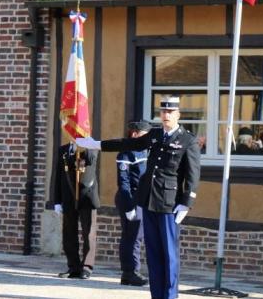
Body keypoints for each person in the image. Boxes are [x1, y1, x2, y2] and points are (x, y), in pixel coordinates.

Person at [76, 95, 201, 299]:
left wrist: (187, 203)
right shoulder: (155, 135)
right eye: (163, 111)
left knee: (169, 255)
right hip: (148, 201)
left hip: (170, 205)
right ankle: (157, 295)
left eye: (170, 112)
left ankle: (170, 296)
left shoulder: (188, 140)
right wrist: (96, 144)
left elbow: (193, 175)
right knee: (152, 254)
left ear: (178, 114)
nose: (166, 115)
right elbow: (128, 144)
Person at [53, 139, 100, 280]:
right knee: (68, 233)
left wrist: (84, 146)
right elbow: (58, 176)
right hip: (68, 197)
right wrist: (57, 200)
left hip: (87, 196)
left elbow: (91, 159)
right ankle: (73, 266)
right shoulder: (63, 150)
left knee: (89, 232)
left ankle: (86, 267)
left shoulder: (91, 146)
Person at [115, 120, 153, 287]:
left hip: (143, 199)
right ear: (135, 134)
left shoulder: (147, 150)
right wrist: (129, 205)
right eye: (145, 134)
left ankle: (128, 273)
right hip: (131, 198)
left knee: (136, 236)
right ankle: (130, 272)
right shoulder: (126, 153)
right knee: (133, 236)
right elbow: (123, 182)